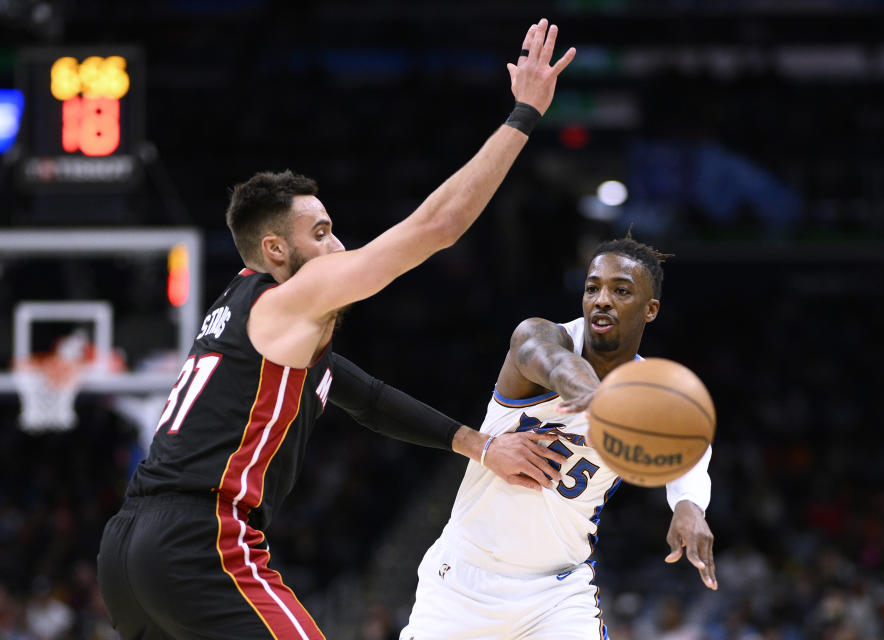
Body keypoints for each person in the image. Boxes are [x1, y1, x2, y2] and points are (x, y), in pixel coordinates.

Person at [96, 19, 576, 640]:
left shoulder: (245, 315)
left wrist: (479, 445)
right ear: (274, 251)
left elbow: (366, 398)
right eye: (320, 235)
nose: (340, 246)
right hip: (200, 539)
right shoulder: (289, 300)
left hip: (126, 550)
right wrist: (523, 115)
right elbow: (439, 226)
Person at [399, 237, 717, 640]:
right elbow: (552, 363)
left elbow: (692, 439)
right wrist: (596, 398)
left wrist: (689, 504)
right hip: (462, 584)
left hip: (556, 594)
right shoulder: (541, 335)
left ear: (650, 310)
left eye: (620, 290)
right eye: (592, 287)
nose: (602, 299)